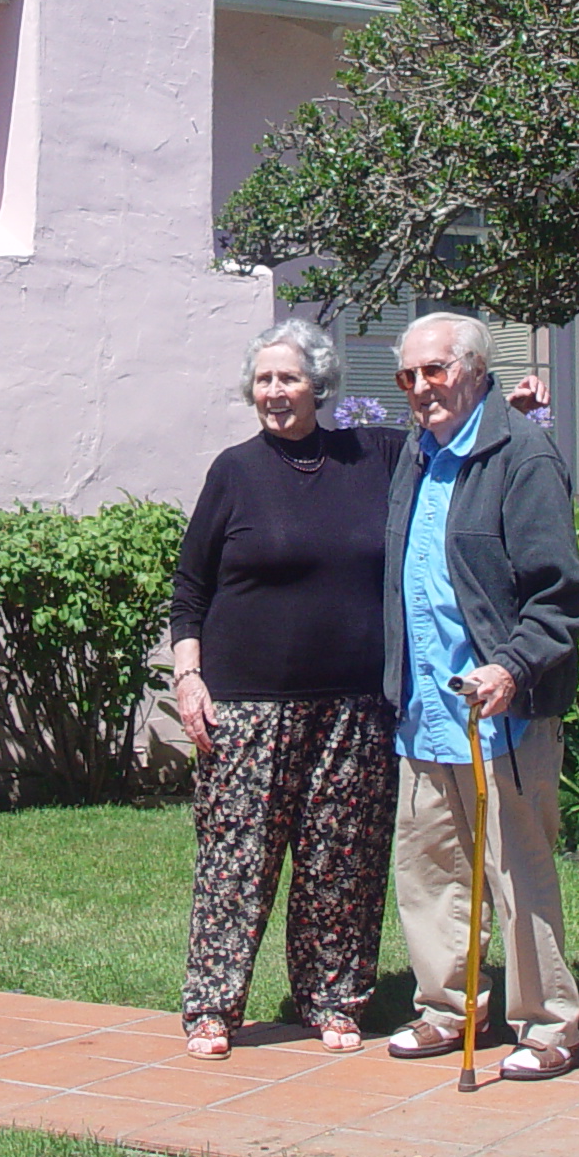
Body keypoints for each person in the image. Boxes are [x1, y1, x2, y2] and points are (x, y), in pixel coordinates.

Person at [168, 319, 405, 1059]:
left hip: (353, 705)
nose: (276, 392)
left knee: (342, 860)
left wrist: (514, 412)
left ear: (320, 384)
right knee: (236, 859)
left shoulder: (373, 455)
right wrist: (187, 676)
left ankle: (333, 999)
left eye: (290, 378)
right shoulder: (233, 472)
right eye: (265, 379)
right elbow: (189, 587)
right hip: (245, 707)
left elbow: (454, 441)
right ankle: (213, 1007)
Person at [380, 311, 579, 1080]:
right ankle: (446, 1008)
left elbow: (557, 595)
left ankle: (547, 1026)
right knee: (431, 869)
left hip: (501, 709)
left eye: (435, 370)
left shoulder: (522, 455)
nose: (421, 387)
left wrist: (513, 667)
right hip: (425, 707)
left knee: (517, 870)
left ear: (472, 368)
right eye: (408, 376)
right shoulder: (415, 453)